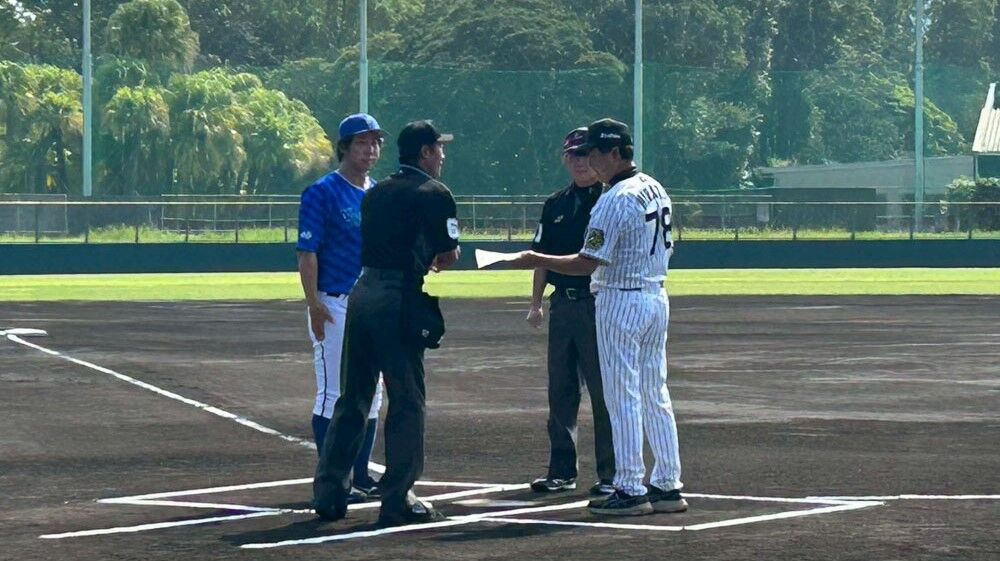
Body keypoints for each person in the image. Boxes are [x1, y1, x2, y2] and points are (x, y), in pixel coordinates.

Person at [510, 118, 687, 516]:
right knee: (654, 392)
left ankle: (629, 486)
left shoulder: (613, 199)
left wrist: (534, 258)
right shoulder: (654, 187)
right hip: (655, 296)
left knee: (622, 396)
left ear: (614, 153)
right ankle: (667, 484)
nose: (588, 161)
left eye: (593, 153)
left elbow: (587, 262)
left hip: (620, 300)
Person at [313, 120, 461, 527]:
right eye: (438, 149)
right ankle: (397, 497)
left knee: (353, 398)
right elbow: (447, 254)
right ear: (425, 153)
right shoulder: (435, 192)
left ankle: (329, 492)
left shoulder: (376, 191)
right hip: (398, 297)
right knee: (407, 399)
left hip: (362, 293)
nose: (442, 156)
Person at [296, 113, 385, 501]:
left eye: (375, 142)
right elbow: (307, 252)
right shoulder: (322, 192)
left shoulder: (377, 192)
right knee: (334, 393)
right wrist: (314, 303)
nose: (370, 150)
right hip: (333, 302)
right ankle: (333, 477)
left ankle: (360, 475)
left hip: (371, 304)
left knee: (372, 394)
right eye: (362, 142)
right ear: (344, 147)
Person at [526, 127, 615, 496]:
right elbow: (541, 258)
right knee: (561, 390)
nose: (580, 162)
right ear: (565, 159)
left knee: (604, 392)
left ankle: (611, 474)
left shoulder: (610, 200)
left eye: (585, 155)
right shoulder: (555, 205)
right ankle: (562, 470)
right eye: (574, 155)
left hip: (598, 303)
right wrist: (535, 303)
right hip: (563, 305)